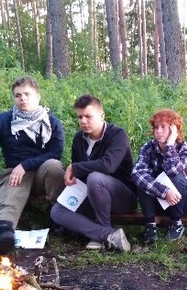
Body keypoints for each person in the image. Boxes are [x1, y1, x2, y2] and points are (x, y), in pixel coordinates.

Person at [0, 75, 66, 258]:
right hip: (14, 173)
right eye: (18, 95)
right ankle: (3, 232)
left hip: (41, 172)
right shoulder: (5, 120)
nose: (22, 98)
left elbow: (55, 152)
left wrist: (25, 165)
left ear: (37, 96)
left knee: (55, 166)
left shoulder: (52, 122)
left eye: (27, 94)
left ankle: (59, 218)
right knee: (11, 195)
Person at [50, 94, 137, 252]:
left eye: (88, 116)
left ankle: (101, 232)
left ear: (101, 115)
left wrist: (75, 167)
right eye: (80, 117)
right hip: (92, 194)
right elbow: (81, 176)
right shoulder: (78, 139)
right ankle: (107, 236)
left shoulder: (117, 135)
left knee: (95, 178)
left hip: (122, 197)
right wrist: (72, 192)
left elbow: (108, 166)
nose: (83, 121)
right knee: (57, 211)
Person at [131, 109, 187, 244]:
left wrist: (170, 145)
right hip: (159, 199)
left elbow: (173, 171)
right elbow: (137, 173)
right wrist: (164, 191)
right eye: (156, 127)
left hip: (182, 201)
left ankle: (177, 223)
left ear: (174, 129)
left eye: (163, 127)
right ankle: (150, 226)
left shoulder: (186, 149)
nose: (158, 131)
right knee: (143, 179)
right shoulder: (148, 147)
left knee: (176, 178)